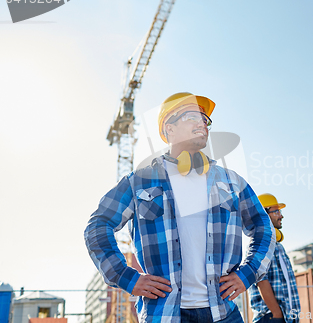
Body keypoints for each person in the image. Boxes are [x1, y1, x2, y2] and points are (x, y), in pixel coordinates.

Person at [84, 92, 275, 323]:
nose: (202, 124)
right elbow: (98, 225)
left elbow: (263, 226)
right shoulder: (139, 181)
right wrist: (126, 277)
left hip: (224, 314)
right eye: (193, 116)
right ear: (169, 129)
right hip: (164, 315)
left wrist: (248, 273)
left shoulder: (231, 181)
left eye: (205, 120)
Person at [249, 194, 301, 323]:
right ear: (265, 214)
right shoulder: (260, 243)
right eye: (276, 211)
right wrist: (277, 314)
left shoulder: (278, 246)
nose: (281, 216)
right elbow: (261, 281)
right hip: (271, 317)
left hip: (286, 317)